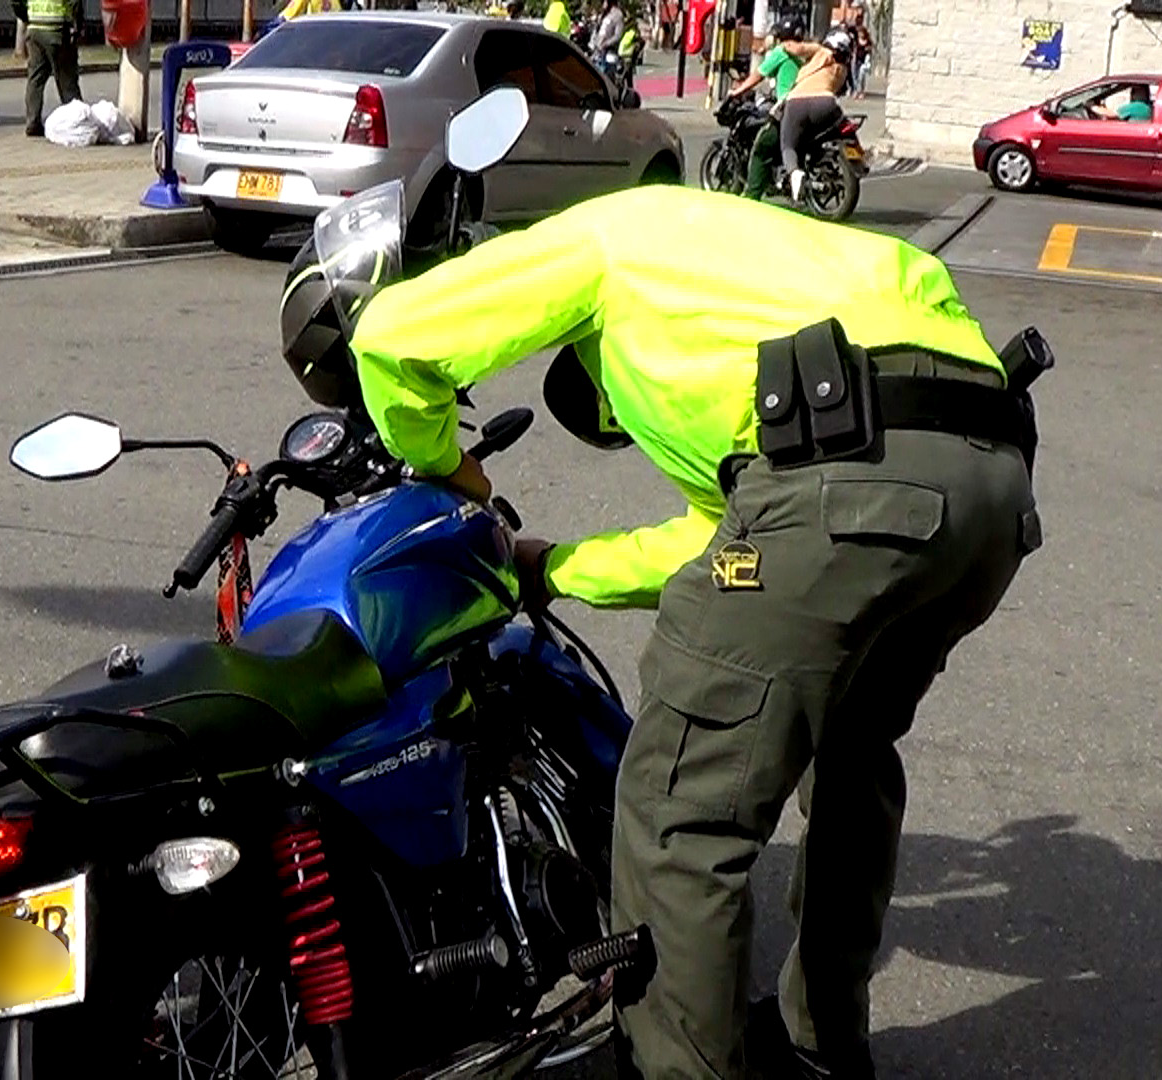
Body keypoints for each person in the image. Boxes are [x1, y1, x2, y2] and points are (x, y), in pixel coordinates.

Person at [321, 183, 1041, 1080]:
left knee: (678, 815)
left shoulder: (604, 237)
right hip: (991, 488)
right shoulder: (769, 266)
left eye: (615, 421)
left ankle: (674, 1070)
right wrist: (556, 567)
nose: (629, 430)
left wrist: (452, 470)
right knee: (851, 757)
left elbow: (393, 336)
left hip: (842, 486)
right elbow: (725, 544)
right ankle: (822, 1048)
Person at [726, 18, 802, 200]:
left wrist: (738, 91)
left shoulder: (782, 51)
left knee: (763, 145)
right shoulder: (803, 53)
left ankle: (751, 195)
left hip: (787, 106)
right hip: (806, 105)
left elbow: (759, 74)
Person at [776, 27, 852, 201]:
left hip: (797, 102)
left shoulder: (821, 50)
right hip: (827, 104)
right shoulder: (843, 70)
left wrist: (779, 43)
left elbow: (797, 49)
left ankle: (794, 173)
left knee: (788, 145)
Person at [18, 0, 80, 138]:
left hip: (34, 29)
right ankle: (76, 121)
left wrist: (26, 16)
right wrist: (77, 24)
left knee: (35, 78)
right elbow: (75, 2)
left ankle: (32, 122)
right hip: (57, 29)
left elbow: (16, 2)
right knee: (66, 79)